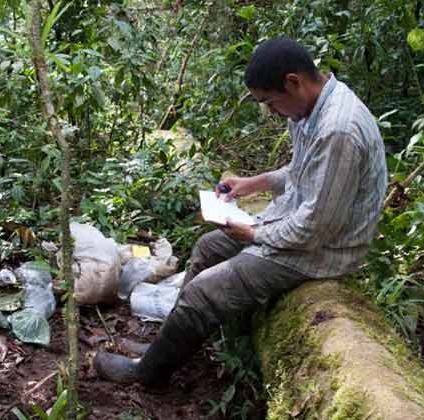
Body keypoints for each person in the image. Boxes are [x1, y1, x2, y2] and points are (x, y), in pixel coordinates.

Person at [93, 36, 388, 386]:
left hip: (324, 250)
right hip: (300, 227)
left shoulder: (338, 129)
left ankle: (148, 375)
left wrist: (253, 235)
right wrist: (253, 183)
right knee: (207, 248)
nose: (271, 112)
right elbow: (302, 171)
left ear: (293, 82)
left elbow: (315, 229)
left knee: (203, 290)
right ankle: (163, 345)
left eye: (270, 102)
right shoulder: (312, 108)